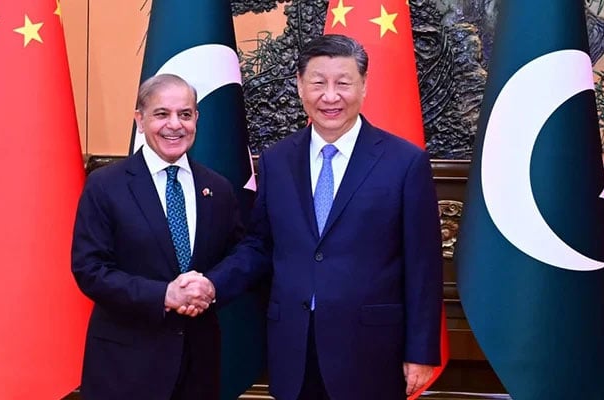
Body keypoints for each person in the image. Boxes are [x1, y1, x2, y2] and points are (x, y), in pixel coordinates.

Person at [174, 34, 443, 399]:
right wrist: (212, 284)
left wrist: (421, 351)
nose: (330, 96)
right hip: (293, 350)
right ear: (300, 86)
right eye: (318, 83)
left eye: (343, 83)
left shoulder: (405, 162)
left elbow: (423, 266)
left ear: (364, 85)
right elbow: (259, 247)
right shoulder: (276, 160)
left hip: (371, 352)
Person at [71, 73, 241, 400]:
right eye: (162, 114)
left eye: (185, 114)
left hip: (198, 369)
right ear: (140, 119)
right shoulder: (106, 186)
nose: (174, 125)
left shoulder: (218, 188)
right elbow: (89, 270)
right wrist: (164, 295)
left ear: (196, 119)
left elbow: (240, 255)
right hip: (125, 369)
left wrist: (212, 286)